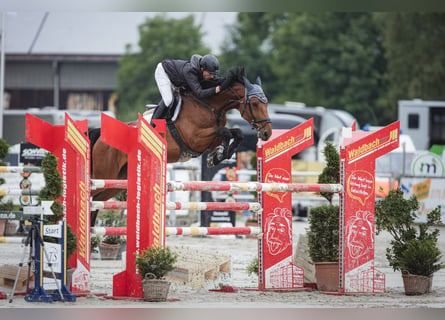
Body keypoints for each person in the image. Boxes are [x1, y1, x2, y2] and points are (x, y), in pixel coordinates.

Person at [152, 54, 224, 121]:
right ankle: (152, 124)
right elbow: (200, 93)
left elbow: (215, 81)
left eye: (213, 74)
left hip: (178, 79)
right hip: (164, 72)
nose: (212, 76)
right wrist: (216, 89)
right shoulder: (190, 71)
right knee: (168, 101)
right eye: (210, 73)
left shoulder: (202, 71)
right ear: (202, 68)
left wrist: (227, 81)